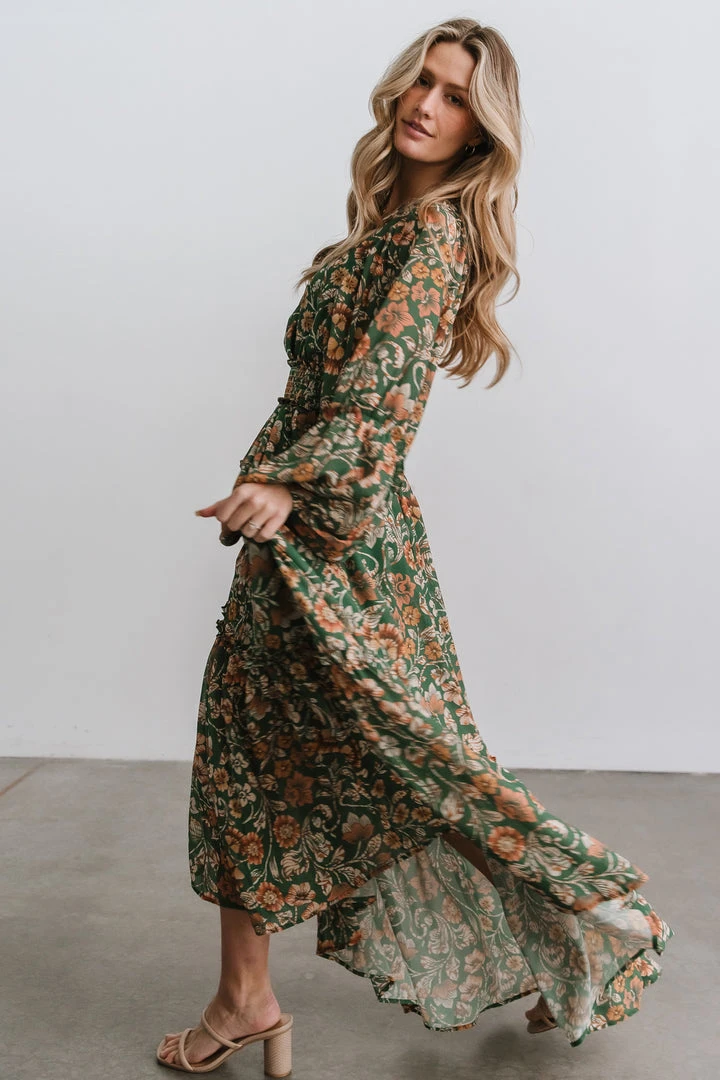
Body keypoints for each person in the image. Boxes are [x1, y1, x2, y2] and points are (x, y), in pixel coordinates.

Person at [156, 17, 673, 1074]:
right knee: (261, 758)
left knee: (412, 765)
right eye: (423, 83)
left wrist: (289, 482)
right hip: (304, 535)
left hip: (335, 541)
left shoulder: (432, 237)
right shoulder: (386, 227)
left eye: (455, 97)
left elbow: (382, 399)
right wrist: (280, 483)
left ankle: (595, 920)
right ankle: (245, 997)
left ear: (483, 130)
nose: (427, 106)